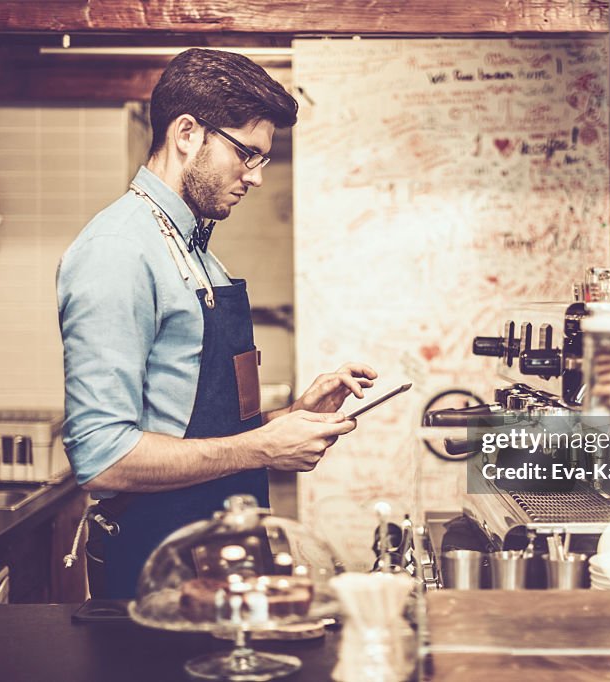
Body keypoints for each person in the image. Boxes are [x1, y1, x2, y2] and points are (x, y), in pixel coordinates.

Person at [57, 48, 377, 598]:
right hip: (154, 563)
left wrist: (291, 416)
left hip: (213, 554)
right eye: (247, 154)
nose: (255, 177)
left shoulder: (196, 250)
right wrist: (263, 448)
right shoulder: (118, 251)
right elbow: (103, 457)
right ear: (187, 133)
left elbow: (189, 422)